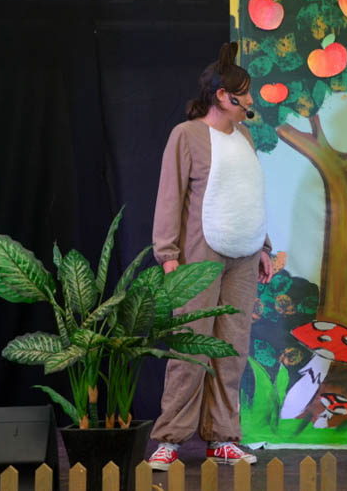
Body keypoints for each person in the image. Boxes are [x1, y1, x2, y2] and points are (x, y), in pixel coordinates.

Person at [147, 42, 274, 469]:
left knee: (232, 348)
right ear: (223, 95)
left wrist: (264, 247)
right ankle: (170, 438)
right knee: (191, 346)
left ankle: (222, 436)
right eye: (244, 93)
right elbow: (170, 197)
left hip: (243, 258)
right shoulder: (187, 136)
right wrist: (168, 257)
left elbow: (248, 195)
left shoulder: (245, 137)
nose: (250, 100)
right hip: (200, 256)